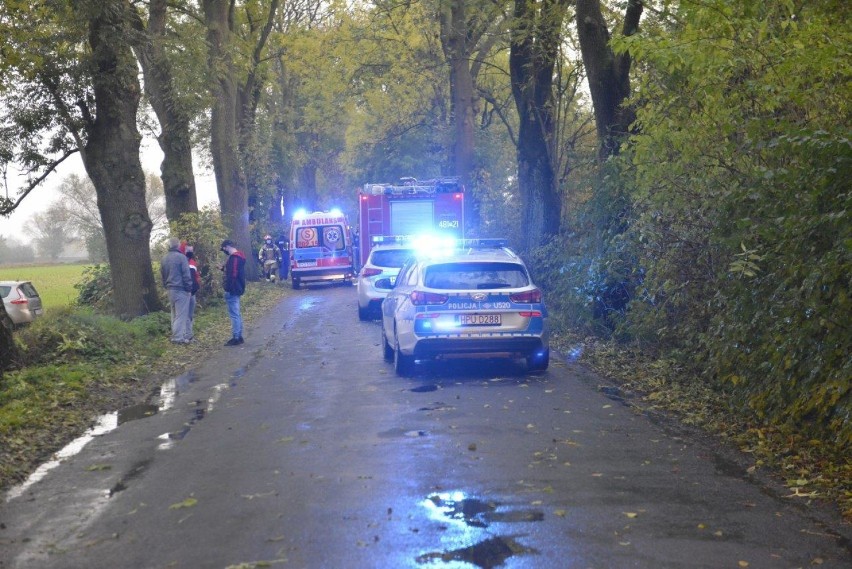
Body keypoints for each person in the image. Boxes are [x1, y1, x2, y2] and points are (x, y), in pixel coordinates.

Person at [160, 237, 193, 344]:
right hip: (181, 289)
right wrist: (189, 288)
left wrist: (166, 285)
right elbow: (186, 274)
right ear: (178, 245)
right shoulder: (181, 257)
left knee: (173, 314)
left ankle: (176, 335)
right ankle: (178, 338)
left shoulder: (164, 258)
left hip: (170, 289)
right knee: (181, 315)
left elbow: (163, 274)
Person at [220, 239, 246, 346]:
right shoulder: (239, 257)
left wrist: (228, 287)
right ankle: (238, 336)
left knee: (234, 314)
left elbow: (233, 274)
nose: (224, 251)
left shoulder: (234, 258)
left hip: (233, 288)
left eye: (224, 249)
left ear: (227, 246)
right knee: (237, 313)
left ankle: (236, 337)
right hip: (237, 287)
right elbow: (232, 271)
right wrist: (223, 269)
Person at [180, 242, 202, 341]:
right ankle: (186, 335)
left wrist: (198, 283)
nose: (190, 252)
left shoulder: (193, 262)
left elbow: (196, 275)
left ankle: (189, 334)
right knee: (184, 314)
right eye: (188, 250)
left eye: (191, 250)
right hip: (184, 292)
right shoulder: (180, 261)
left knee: (190, 314)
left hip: (193, 291)